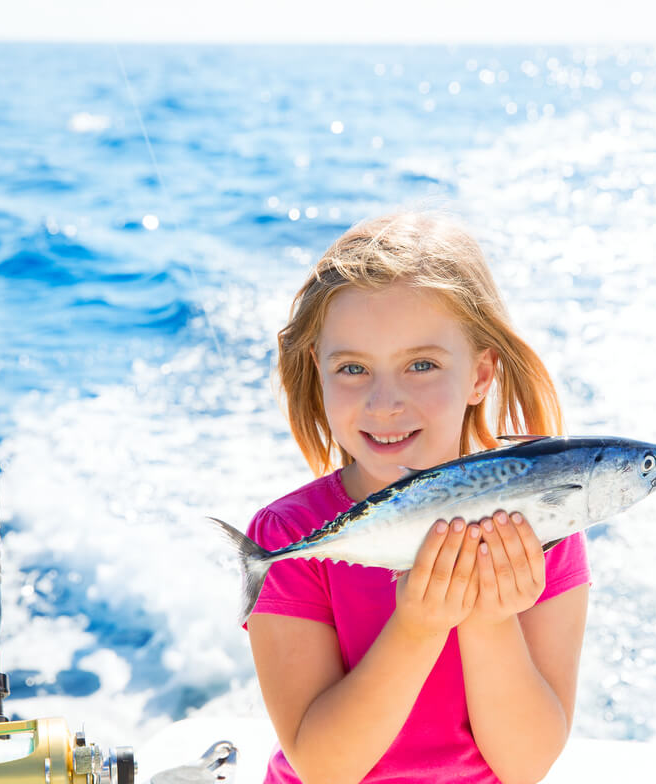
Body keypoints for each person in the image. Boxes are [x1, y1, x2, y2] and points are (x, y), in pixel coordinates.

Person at [244, 212, 590, 784]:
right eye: (353, 368)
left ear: (481, 375)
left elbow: (526, 765)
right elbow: (325, 768)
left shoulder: (544, 521)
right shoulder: (289, 538)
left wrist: (489, 617)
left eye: (421, 365)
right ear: (319, 372)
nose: (384, 402)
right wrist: (418, 626)